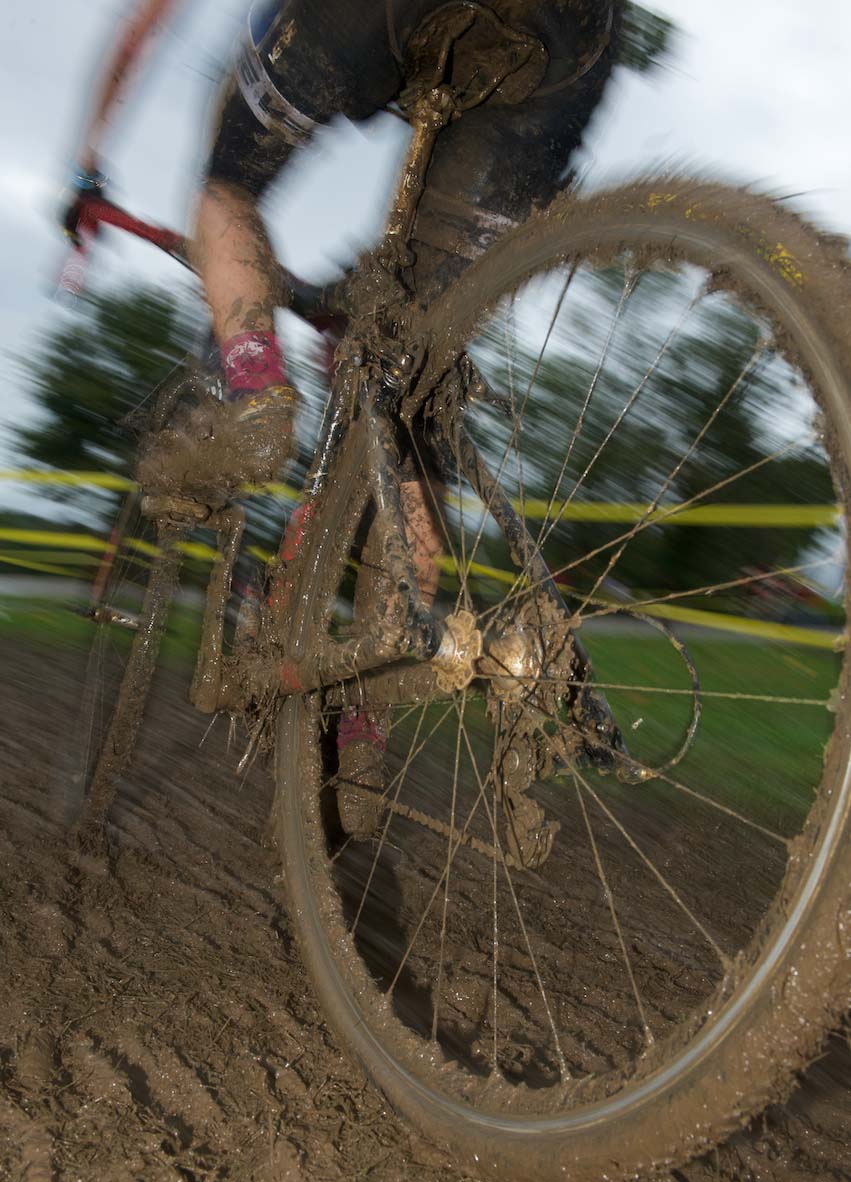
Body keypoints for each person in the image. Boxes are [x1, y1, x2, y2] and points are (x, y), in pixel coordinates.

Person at [67, 0, 623, 834]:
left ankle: (257, 394)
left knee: (225, 186)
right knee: (412, 390)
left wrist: (88, 165)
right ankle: (366, 733)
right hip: (567, 41)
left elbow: (145, 21)